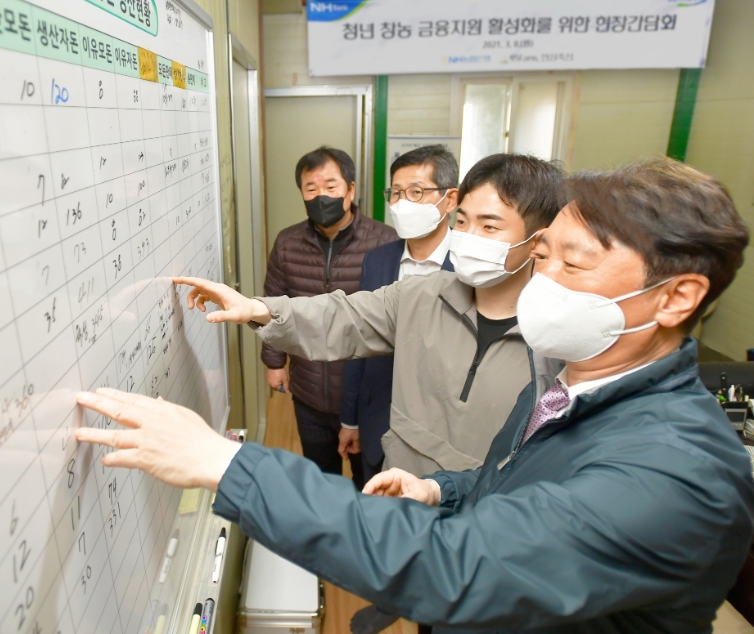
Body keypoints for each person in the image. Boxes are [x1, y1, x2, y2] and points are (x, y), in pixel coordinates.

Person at [77, 157, 754, 633]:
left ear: (677, 297)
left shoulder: (676, 473)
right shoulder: (577, 382)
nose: (544, 277)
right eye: (546, 255)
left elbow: (459, 565)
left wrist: (226, 465)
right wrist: (443, 491)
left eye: (570, 263)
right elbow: (513, 482)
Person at [261, 145, 397, 487]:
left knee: (370, 480)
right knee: (322, 479)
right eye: (311, 188)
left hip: (367, 395)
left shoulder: (384, 241)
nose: (321, 195)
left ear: (350, 190)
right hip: (309, 389)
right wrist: (274, 362)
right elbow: (274, 301)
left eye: (331, 186)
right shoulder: (287, 243)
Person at [340, 145, 459, 487]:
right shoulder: (377, 261)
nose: (403, 202)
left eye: (416, 192)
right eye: (396, 192)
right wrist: (350, 419)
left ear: (450, 199)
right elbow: (358, 338)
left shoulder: (469, 267)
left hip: (444, 435)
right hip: (378, 422)